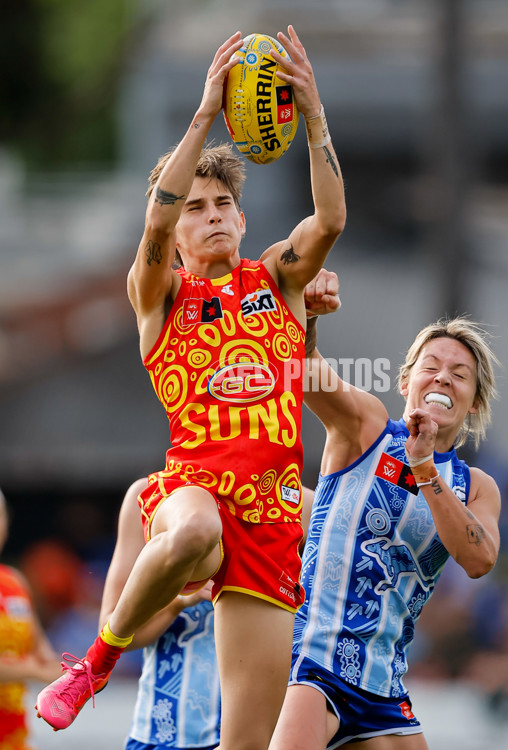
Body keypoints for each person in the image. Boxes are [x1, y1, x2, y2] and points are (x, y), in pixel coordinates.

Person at [36, 25, 345, 750]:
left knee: (246, 743)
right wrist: (206, 111)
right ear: (175, 235)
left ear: (241, 217)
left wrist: (315, 114)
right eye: (194, 209)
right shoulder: (160, 297)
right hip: (190, 495)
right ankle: (93, 666)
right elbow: (155, 214)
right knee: (199, 527)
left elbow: (330, 219)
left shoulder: (276, 277)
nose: (208, 217)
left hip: (269, 519)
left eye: (220, 206)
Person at [269, 272, 501, 749]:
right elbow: (303, 371)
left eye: (459, 375)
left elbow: (479, 560)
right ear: (405, 381)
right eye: (431, 366)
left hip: (383, 682)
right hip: (314, 659)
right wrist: (308, 318)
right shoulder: (368, 428)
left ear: (473, 403)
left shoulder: (475, 487)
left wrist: (424, 467)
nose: (442, 378)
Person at [99, 477, 316, 750]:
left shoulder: (302, 505)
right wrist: (175, 599)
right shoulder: (149, 496)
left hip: (260, 736)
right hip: (164, 735)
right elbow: (110, 628)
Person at [0, 488, 61, 749]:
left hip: (15, 738)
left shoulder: (14, 582)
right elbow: (39, 666)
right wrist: (33, 670)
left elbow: (44, 655)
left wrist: (79, 671)